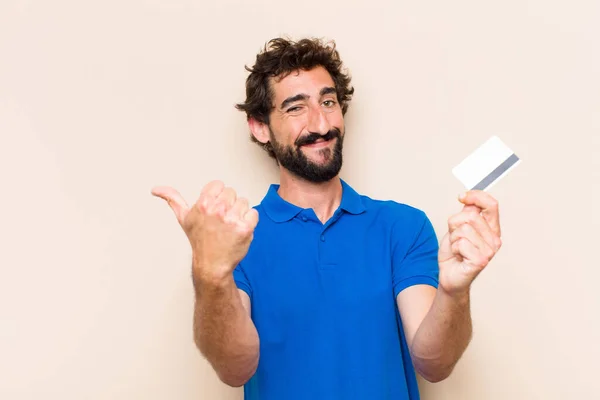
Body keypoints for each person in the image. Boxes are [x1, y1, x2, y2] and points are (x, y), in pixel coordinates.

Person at [151, 37, 503, 400]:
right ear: (259, 127)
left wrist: (455, 291)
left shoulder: (402, 226)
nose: (320, 123)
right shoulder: (238, 236)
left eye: (328, 101)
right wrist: (211, 274)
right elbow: (234, 369)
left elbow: (435, 364)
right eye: (295, 108)